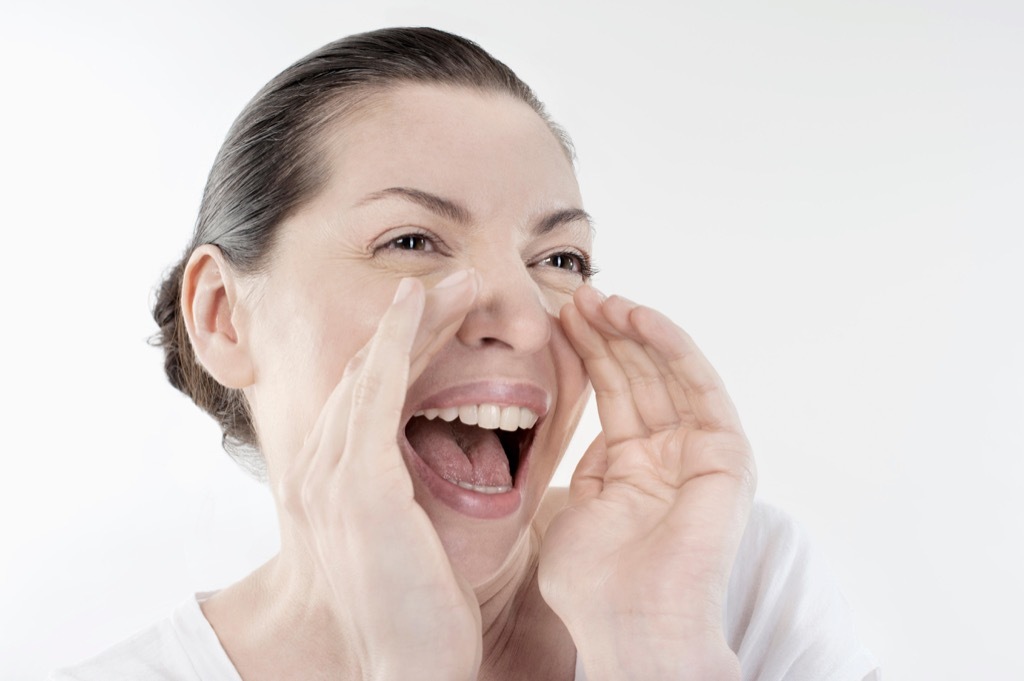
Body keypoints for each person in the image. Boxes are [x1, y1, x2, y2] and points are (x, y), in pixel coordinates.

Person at [51, 27, 879, 681]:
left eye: (559, 259)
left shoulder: (733, 587)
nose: (523, 317)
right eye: (412, 239)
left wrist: (655, 653)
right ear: (223, 315)